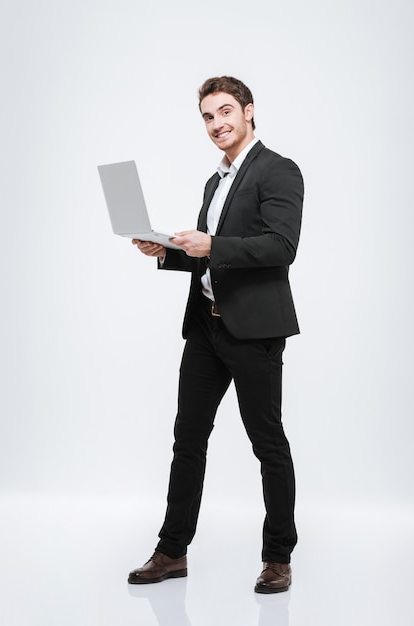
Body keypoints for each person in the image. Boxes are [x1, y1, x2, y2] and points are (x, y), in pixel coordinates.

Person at [128, 76, 304, 593]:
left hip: (253, 331)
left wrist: (212, 244)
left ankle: (278, 557)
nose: (216, 124)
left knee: (268, 445)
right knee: (188, 441)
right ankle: (172, 551)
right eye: (207, 116)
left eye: (225, 111)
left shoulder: (279, 170)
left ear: (249, 112)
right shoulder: (215, 181)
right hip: (206, 326)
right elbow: (214, 252)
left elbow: (279, 246)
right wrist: (169, 251)